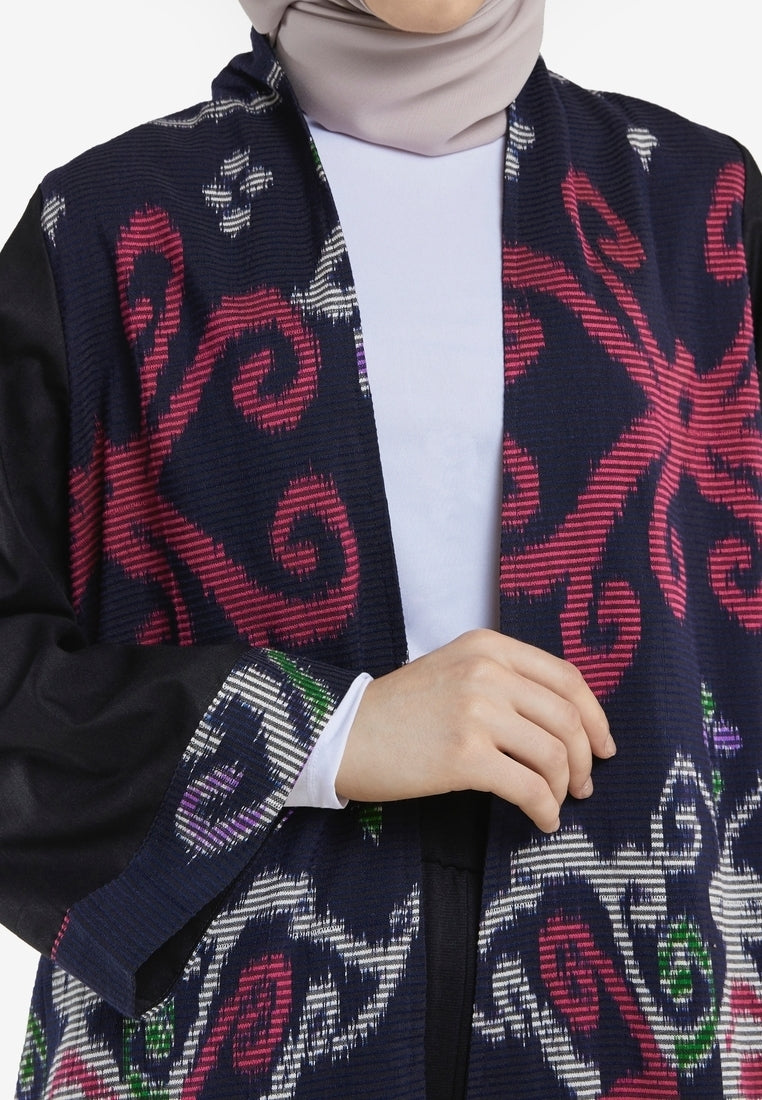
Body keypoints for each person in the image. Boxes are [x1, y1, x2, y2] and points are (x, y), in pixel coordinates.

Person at [1, 0, 761, 1096]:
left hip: (641, 1016)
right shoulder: (108, 234)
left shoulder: (701, 210)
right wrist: (326, 731)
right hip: (229, 1043)